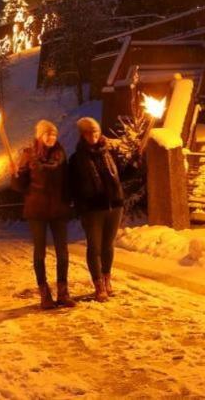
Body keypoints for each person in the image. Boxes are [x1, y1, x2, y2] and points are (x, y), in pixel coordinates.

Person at [11, 119, 75, 310]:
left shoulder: (61, 154)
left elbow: (68, 180)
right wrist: (15, 175)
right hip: (37, 211)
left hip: (59, 210)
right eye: (48, 134)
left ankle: (63, 292)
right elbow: (20, 186)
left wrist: (69, 199)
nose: (51, 137)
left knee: (62, 253)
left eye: (54, 134)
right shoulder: (28, 156)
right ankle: (44, 294)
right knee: (39, 253)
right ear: (40, 136)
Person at [68, 117, 126, 302]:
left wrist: (134, 164)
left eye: (95, 131)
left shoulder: (109, 153)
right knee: (95, 247)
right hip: (92, 210)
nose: (93, 135)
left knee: (108, 246)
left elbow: (120, 176)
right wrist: (81, 207)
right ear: (82, 135)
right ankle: (98, 284)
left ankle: (107, 280)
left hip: (114, 206)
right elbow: (73, 187)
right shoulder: (77, 159)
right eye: (88, 132)